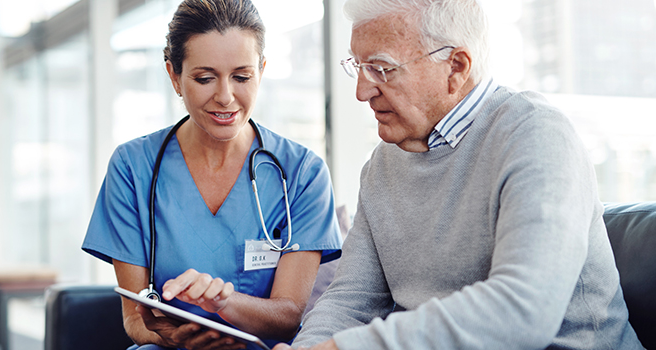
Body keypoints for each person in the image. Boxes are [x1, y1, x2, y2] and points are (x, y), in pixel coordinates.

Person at [275, 0, 645, 349]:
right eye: (358, 67)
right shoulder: (382, 166)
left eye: (382, 69)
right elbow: (349, 303)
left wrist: (343, 347)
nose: (361, 91)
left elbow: (524, 309)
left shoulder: (536, 134)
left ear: (456, 67)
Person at [82, 1, 342, 349]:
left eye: (242, 77)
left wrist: (223, 304)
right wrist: (176, 339)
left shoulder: (302, 173)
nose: (225, 97)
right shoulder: (132, 167)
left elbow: (289, 315)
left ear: (261, 72)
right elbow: (134, 318)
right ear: (174, 75)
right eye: (205, 78)